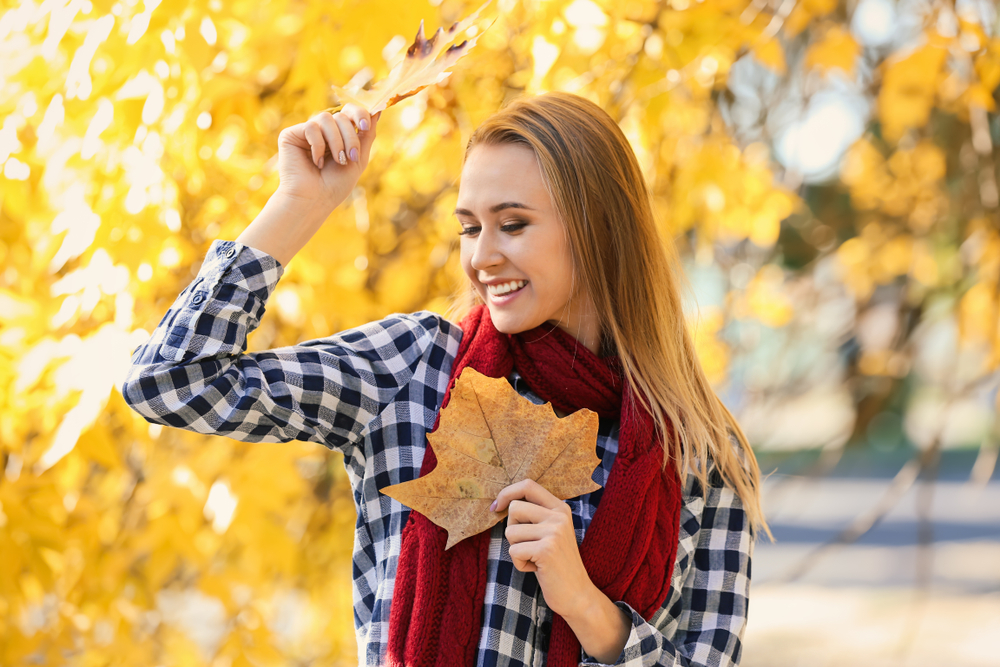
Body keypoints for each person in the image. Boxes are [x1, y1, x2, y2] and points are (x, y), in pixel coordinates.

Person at [123, 91, 768, 667]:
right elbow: (170, 381)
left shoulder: (700, 455)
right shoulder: (413, 368)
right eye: (469, 227)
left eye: (513, 224)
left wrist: (591, 611)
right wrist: (300, 204)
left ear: (598, 229)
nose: (481, 256)